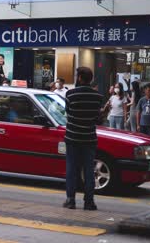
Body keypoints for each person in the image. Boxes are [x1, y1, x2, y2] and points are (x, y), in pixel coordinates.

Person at [64, 67, 103, 211]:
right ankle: (89, 202)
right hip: (89, 138)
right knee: (88, 171)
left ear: (80, 78)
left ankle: (70, 200)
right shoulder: (98, 96)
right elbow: (97, 119)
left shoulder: (70, 94)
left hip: (72, 136)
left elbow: (68, 112)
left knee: (71, 169)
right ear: (90, 79)